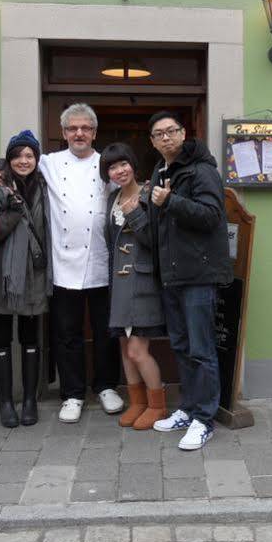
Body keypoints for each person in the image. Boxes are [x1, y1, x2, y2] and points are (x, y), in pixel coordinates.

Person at [144, 111, 232, 450]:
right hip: (172, 275)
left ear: (183, 134)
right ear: (152, 142)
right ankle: (188, 408)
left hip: (198, 275)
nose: (166, 138)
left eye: (171, 131)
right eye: (158, 134)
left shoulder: (202, 170)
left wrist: (171, 201)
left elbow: (212, 217)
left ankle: (204, 419)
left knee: (201, 349)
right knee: (181, 346)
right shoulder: (160, 171)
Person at [40, 103, 123, 422]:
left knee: (106, 330)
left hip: (102, 261)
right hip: (64, 264)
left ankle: (106, 386)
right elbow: (14, 168)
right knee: (67, 332)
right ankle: (72, 394)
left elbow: (126, 196)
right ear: (63, 133)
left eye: (85, 128)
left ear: (94, 132)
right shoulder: (48, 163)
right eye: (73, 128)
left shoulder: (109, 164)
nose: (79, 133)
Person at [0, 130, 53, 428]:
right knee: (1, 333)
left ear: (37, 159)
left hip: (34, 271)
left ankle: (30, 400)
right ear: (9, 159)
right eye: (18, 155)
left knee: (31, 335)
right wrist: (13, 210)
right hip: (1, 273)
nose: (24, 160)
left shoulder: (45, 186)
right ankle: (6, 402)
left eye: (29, 155)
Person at [100, 143, 168, 430]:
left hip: (143, 282)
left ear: (133, 164)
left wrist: (135, 214)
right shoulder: (112, 198)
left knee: (138, 350)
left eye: (123, 164)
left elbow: (156, 241)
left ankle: (158, 405)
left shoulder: (150, 194)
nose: (119, 171)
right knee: (124, 347)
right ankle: (137, 402)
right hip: (118, 284)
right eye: (112, 167)